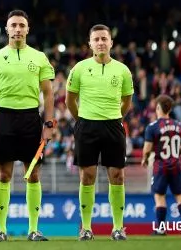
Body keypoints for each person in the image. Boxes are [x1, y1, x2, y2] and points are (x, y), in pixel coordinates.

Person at [0, 9, 55, 242]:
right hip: (4, 119)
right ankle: (1, 230)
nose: (18, 29)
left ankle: (33, 230)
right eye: (13, 25)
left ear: (27, 29)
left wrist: (49, 123)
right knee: (3, 175)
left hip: (31, 119)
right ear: (7, 29)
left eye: (22, 25)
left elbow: (49, 94)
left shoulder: (39, 57)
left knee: (33, 174)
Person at [66, 24, 134, 241]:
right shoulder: (79, 68)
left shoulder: (123, 70)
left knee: (117, 175)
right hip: (87, 126)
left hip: (113, 125)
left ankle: (118, 228)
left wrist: (116, 118)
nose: (101, 42)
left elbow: (127, 101)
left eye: (104, 38)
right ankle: (86, 228)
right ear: (90, 44)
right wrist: (81, 121)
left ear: (111, 42)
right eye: (96, 39)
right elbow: (70, 100)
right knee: (87, 176)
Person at [142, 94, 181, 236]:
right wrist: (175, 152)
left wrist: (145, 159)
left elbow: (147, 148)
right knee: (180, 196)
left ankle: (161, 228)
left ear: (159, 108)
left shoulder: (152, 127)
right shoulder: (179, 126)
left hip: (160, 166)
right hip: (176, 165)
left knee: (160, 196)